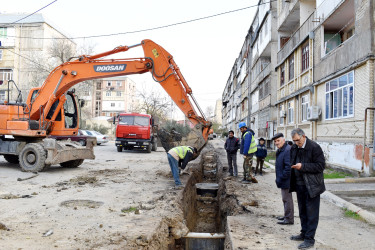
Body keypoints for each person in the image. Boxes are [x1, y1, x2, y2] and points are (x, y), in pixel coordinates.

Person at [289, 128, 325, 249]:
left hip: (312, 186)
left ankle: (310, 239)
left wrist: (303, 166)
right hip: (299, 185)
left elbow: (320, 166)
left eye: (298, 140)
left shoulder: (314, 147)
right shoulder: (294, 147)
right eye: (294, 141)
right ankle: (304, 233)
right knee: (302, 211)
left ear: (303, 136)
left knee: (312, 213)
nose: (296, 143)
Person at [272, 133, 294, 226]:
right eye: (275, 141)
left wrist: (281, 178)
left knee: (287, 199)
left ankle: (289, 218)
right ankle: (286, 216)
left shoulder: (287, 150)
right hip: (283, 178)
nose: (276, 143)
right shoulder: (281, 150)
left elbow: (288, 167)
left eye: (278, 141)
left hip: (286, 179)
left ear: (283, 140)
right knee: (285, 198)